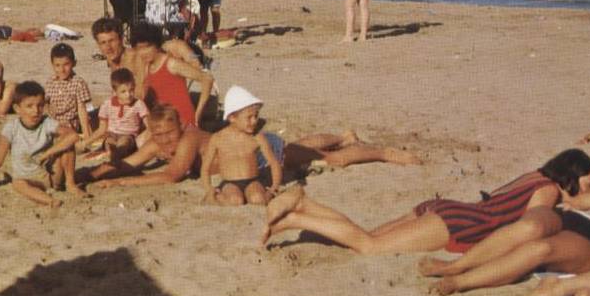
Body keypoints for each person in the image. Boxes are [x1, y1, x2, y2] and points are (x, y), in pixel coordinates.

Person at [260, 149, 590, 255]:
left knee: (363, 237)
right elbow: (531, 224)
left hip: (450, 209)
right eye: (587, 181)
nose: (585, 188)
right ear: (573, 173)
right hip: (460, 223)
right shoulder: (549, 190)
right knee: (370, 247)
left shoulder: (533, 175)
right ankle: (299, 219)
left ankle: (304, 207)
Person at [422, 167, 590, 296]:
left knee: (541, 249)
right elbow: (579, 201)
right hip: (570, 217)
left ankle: (461, 282)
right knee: (530, 226)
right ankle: (456, 266)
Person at [85, 104, 421, 189]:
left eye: (169, 133)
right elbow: (131, 162)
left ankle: (383, 153)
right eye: (158, 136)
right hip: (253, 154)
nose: (164, 141)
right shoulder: (159, 142)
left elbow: (172, 176)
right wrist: (97, 173)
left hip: (262, 155)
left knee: (330, 160)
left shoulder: (187, 140)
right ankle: (345, 136)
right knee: (303, 146)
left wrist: (120, 182)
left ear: (183, 126)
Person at [0, 81, 83, 206]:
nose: (36, 111)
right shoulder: (11, 128)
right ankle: (50, 201)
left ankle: (70, 184)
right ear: (17, 109)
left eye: (40, 105)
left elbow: (73, 135)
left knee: (67, 143)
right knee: (17, 184)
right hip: (27, 179)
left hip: (50, 176)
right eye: (29, 106)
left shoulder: (46, 122)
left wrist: (48, 153)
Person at [201, 86, 284, 206]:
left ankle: (262, 194)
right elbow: (205, 168)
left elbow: (274, 163)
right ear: (232, 118)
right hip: (230, 182)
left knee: (258, 199)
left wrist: (274, 188)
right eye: (249, 117)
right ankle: (212, 199)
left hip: (252, 180)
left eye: (256, 116)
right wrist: (209, 189)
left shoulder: (257, 137)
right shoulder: (218, 138)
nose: (254, 121)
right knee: (235, 200)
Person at [91, 18, 201, 101]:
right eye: (103, 43)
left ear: (121, 39)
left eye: (112, 41)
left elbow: (141, 94)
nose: (108, 47)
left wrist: (194, 58)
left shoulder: (135, 56)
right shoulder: (112, 60)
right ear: (98, 44)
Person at [139, 25, 214, 128]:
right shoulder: (151, 59)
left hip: (180, 119)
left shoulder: (179, 45)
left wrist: (196, 61)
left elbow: (195, 59)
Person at [79, 68, 149, 165]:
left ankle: (114, 157)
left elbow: (149, 125)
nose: (128, 95)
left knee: (124, 142)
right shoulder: (107, 104)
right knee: (109, 142)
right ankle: (111, 154)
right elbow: (101, 129)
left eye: (131, 90)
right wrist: (85, 143)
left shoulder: (138, 104)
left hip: (129, 135)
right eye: (123, 91)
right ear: (115, 92)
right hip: (111, 134)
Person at [45, 43, 93, 138]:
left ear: (74, 63)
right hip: (52, 122)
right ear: (52, 65)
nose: (62, 69)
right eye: (57, 65)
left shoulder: (78, 82)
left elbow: (82, 109)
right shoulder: (50, 82)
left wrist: (87, 134)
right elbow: (45, 104)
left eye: (66, 65)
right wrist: (49, 112)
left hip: (69, 124)